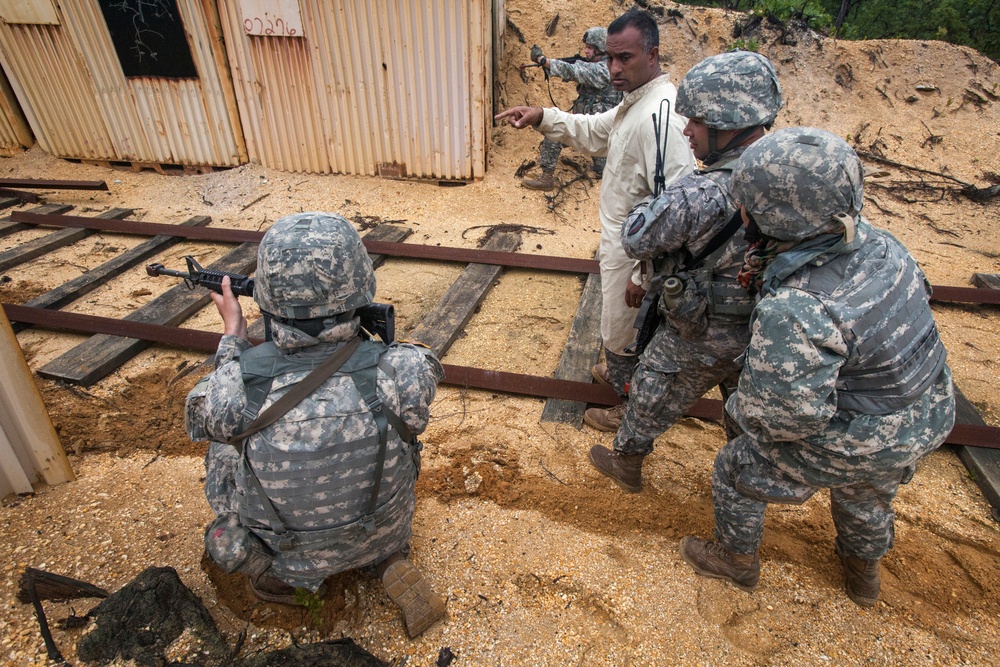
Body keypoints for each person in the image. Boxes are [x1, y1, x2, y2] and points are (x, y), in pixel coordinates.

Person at [678, 128, 956, 607]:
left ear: (773, 215)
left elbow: (787, 418)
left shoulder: (797, 304)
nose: (741, 211)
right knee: (866, 493)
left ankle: (734, 560)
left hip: (863, 433)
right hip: (926, 410)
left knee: (734, 466)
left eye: (748, 203)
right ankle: (862, 573)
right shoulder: (884, 246)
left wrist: (742, 406)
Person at [185, 213, 447, 638]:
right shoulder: (404, 368)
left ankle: (281, 579)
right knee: (400, 432)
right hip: (381, 528)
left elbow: (205, 414)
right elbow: (419, 375)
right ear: (361, 282)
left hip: (288, 552)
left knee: (223, 455)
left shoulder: (231, 390)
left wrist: (233, 336)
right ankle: (386, 558)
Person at [589, 51, 783, 493]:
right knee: (745, 410)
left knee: (652, 385)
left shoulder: (704, 190)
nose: (687, 130)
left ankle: (627, 461)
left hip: (702, 326)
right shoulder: (793, 175)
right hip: (762, 328)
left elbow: (638, 236)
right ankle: (745, 484)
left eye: (695, 121)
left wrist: (647, 203)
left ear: (727, 123)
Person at [496, 8, 695, 423]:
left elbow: (679, 205)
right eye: (610, 58)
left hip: (638, 256)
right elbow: (594, 131)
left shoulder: (662, 117)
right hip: (624, 245)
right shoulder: (635, 105)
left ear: (653, 55)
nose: (614, 68)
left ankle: (631, 409)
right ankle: (622, 377)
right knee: (616, 323)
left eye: (625, 58)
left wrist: (645, 273)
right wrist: (542, 116)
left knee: (628, 330)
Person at [521, 27, 623, 190]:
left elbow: (575, 70)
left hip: (601, 130)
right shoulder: (598, 65)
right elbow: (576, 69)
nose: (586, 51)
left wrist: (543, 60)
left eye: (590, 48)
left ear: (601, 49)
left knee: (603, 168)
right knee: (555, 133)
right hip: (586, 125)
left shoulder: (605, 69)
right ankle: (546, 177)